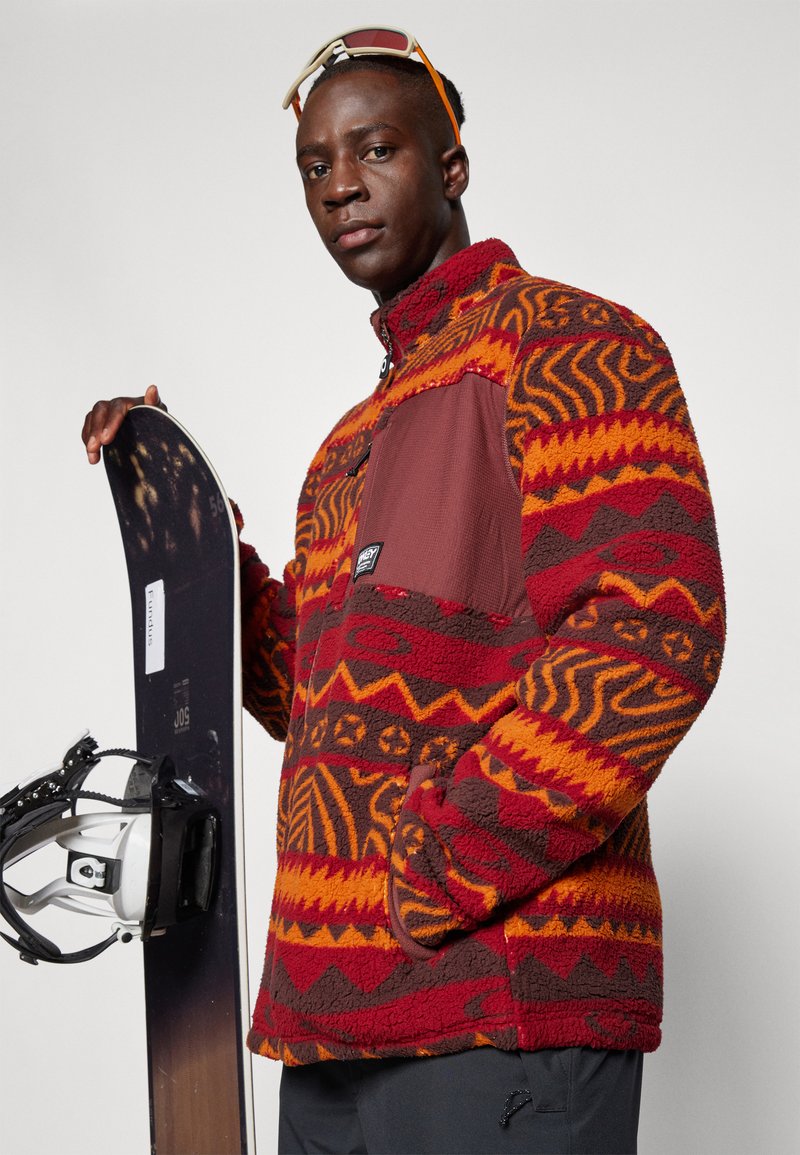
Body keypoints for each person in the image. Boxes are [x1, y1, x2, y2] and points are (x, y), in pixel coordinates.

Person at [82, 26, 725, 1155]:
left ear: (451, 166)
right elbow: (315, 701)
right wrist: (197, 554)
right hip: (330, 1029)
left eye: (373, 150)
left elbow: (651, 637)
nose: (340, 188)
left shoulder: (574, 348)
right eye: (315, 169)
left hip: (499, 1009)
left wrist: (435, 863)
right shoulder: (347, 450)